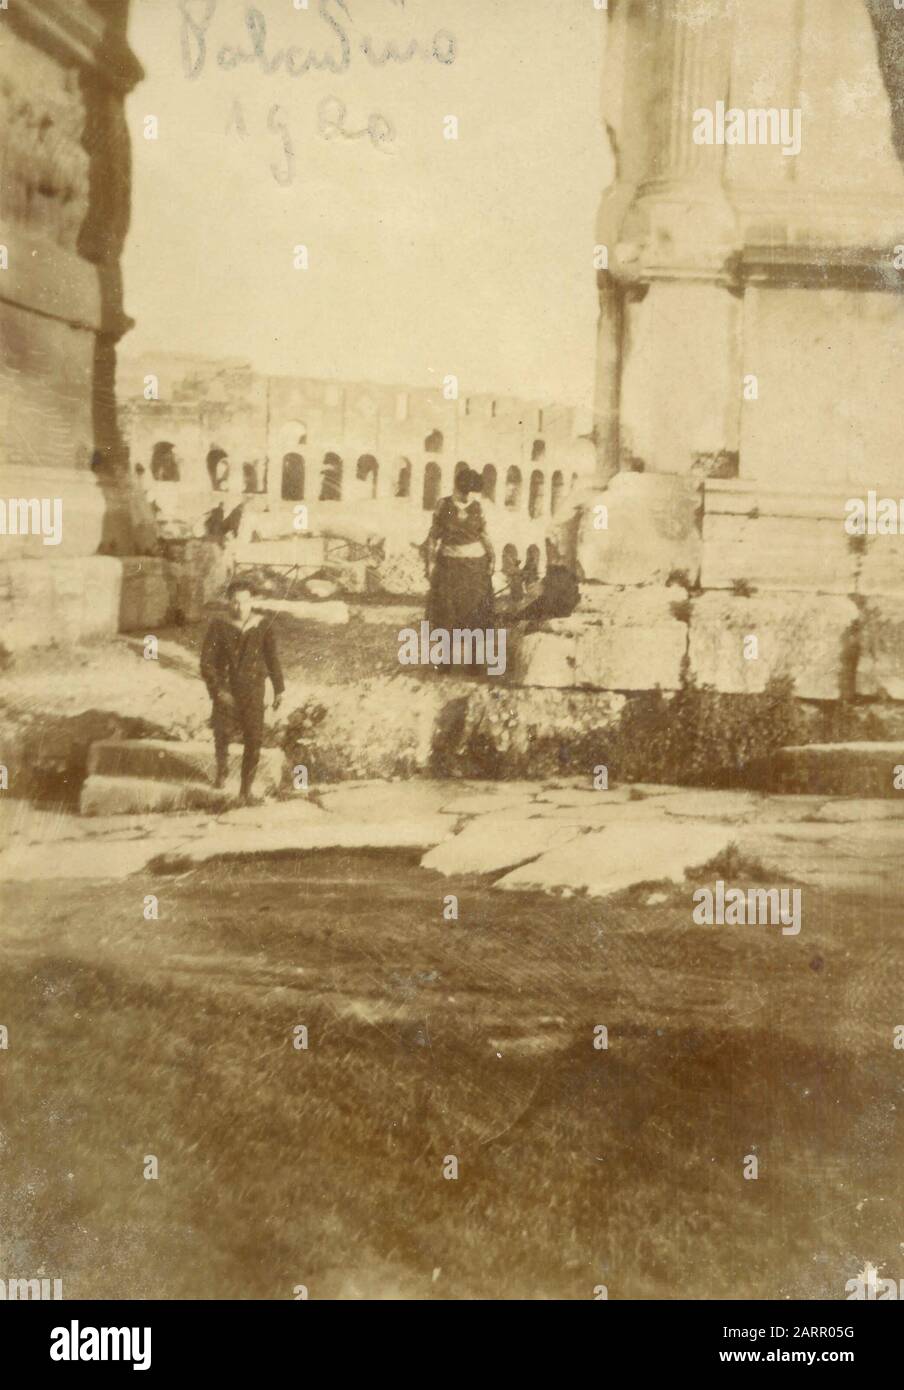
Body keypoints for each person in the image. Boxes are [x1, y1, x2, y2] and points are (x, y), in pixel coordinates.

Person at [200, 578, 285, 804]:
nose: (239, 607)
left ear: (252, 601)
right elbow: (206, 663)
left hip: (253, 690)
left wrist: (279, 690)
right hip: (226, 688)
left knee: (254, 737)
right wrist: (217, 689)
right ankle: (222, 769)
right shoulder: (219, 626)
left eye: (244, 602)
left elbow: (272, 659)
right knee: (222, 731)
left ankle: (245, 791)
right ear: (229, 602)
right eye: (235, 602)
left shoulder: (263, 626)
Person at [424, 466, 496, 672]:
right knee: (446, 613)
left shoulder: (477, 507)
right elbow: (433, 537)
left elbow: (484, 534)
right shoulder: (443, 505)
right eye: (467, 494)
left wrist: (492, 557)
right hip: (449, 569)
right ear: (459, 489)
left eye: (474, 494)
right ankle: (445, 662)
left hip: (475, 569)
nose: (470, 498)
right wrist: (430, 564)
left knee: (476, 614)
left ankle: (474, 663)